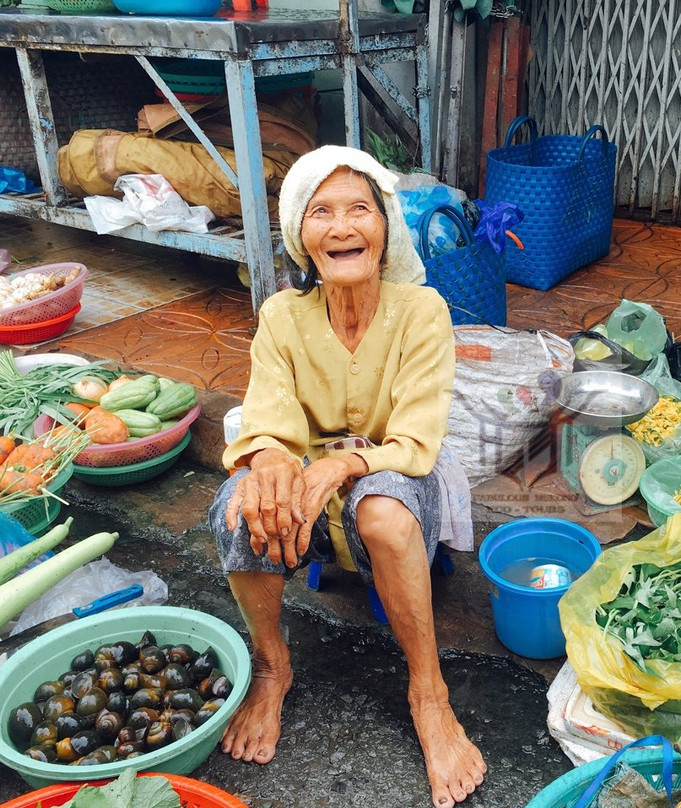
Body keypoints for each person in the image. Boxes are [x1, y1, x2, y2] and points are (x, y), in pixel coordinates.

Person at [208, 145, 486, 807]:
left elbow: (415, 440)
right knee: (240, 503)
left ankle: (429, 695)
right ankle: (273, 667)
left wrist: (345, 462)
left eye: (359, 209)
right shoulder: (282, 317)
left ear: (385, 228)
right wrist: (271, 464)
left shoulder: (421, 312)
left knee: (381, 510)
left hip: (394, 477)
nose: (341, 227)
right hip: (309, 486)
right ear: (300, 237)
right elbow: (270, 421)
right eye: (321, 212)